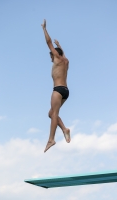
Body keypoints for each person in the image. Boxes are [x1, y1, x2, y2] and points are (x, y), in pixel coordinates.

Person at [41, 19, 70, 152]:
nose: (51, 58)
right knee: (51, 113)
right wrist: (60, 45)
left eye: (51, 56)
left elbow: (48, 42)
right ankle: (64, 129)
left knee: (54, 114)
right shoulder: (66, 61)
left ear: (55, 54)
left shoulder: (57, 58)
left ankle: (51, 139)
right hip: (66, 91)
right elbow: (63, 55)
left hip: (57, 90)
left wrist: (44, 29)